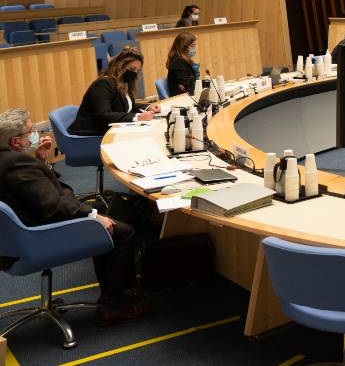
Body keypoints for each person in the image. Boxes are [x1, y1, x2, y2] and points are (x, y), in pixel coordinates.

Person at [0, 109, 149, 323]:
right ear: (16, 141)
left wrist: (42, 161)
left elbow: (36, 191)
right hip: (36, 235)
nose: (36, 133)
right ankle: (112, 305)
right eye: (31, 131)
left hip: (15, 233)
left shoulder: (9, 160)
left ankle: (125, 290)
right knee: (121, 231)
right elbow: (53, 205)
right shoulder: (18, 165)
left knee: (113, 212)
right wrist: (92, 215)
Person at [69, 47, 158, 136]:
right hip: (90, 133)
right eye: (132, 69)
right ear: (120, 66)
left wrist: (149, 107)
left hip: (108, 129)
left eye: (137, 71)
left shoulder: (124, 83)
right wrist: (138, 117)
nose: (134, 73)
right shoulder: (103, 83)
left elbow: (128, 107)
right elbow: (104, 114)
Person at [165, 31, 200, 96]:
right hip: (181, 98)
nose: (194, 48)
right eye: (192, 46)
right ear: (183, 46)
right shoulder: (177, 62)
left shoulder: (184, 60)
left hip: (188, 95)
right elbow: (186, 84)